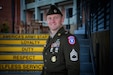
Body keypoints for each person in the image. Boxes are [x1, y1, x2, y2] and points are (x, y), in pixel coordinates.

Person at [41, 4, 80, 75]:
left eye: (56, 17)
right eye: (49, 18)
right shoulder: (50, 38)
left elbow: (73, 69)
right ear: (46, 21)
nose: (52, 21)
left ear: (62, 19)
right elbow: (46, 65)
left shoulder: (68, 39)